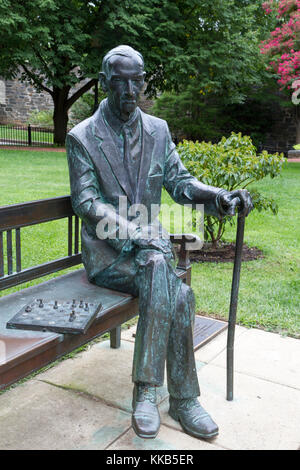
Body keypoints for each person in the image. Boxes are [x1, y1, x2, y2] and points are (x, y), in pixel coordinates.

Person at [66, 45, 253, 440]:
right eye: (121, 81)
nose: (131, 90)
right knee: (160, 270)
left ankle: (174, 397)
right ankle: (160, 394)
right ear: (104, 83)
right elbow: (87, 202)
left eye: (138, 80)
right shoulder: (82, 137)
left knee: (178, 295)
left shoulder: (158, 130)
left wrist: (216, 195)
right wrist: (136, 232)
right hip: (108, 257)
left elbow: (181, 183)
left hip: (149, 257)